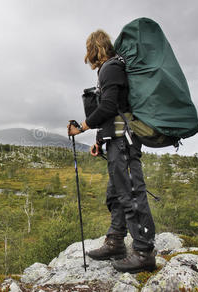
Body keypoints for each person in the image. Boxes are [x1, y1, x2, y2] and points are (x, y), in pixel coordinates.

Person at [67, 29, 156, 273]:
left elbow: (107, 107)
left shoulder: (111, 68)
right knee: (116, 194)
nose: (90, 59)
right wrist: (99, 140)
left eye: (89, 52)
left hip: (123, 143)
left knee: (131, 194)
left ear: (94, 49)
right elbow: (115, 109)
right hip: (115, 140)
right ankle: (116, 241)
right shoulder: (111, 69)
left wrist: (82, 128)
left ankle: (143, 251)